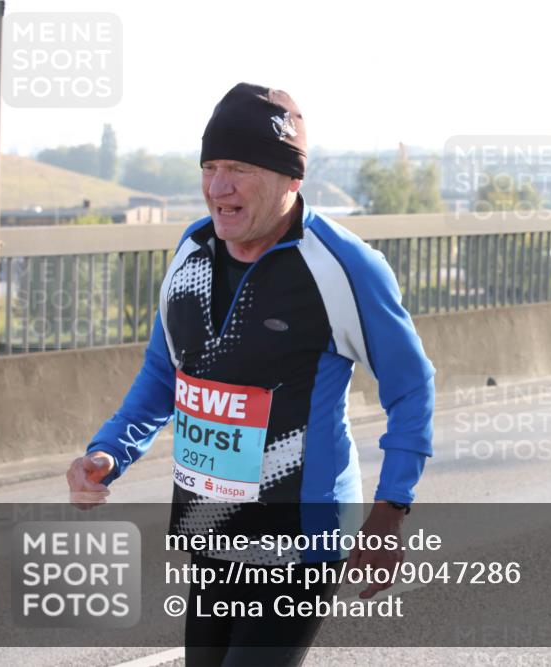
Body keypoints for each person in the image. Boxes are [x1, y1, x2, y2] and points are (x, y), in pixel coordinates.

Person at [65, 83, 435, 665]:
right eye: (210, 167)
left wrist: (392, 508)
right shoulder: (190, 252)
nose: (218, 188)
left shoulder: (342, 265)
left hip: (299, 539)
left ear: (291, 178)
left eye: (238, 168)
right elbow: (165, 377)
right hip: (211, 527)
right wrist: (110, 451)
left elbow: (411, 388)